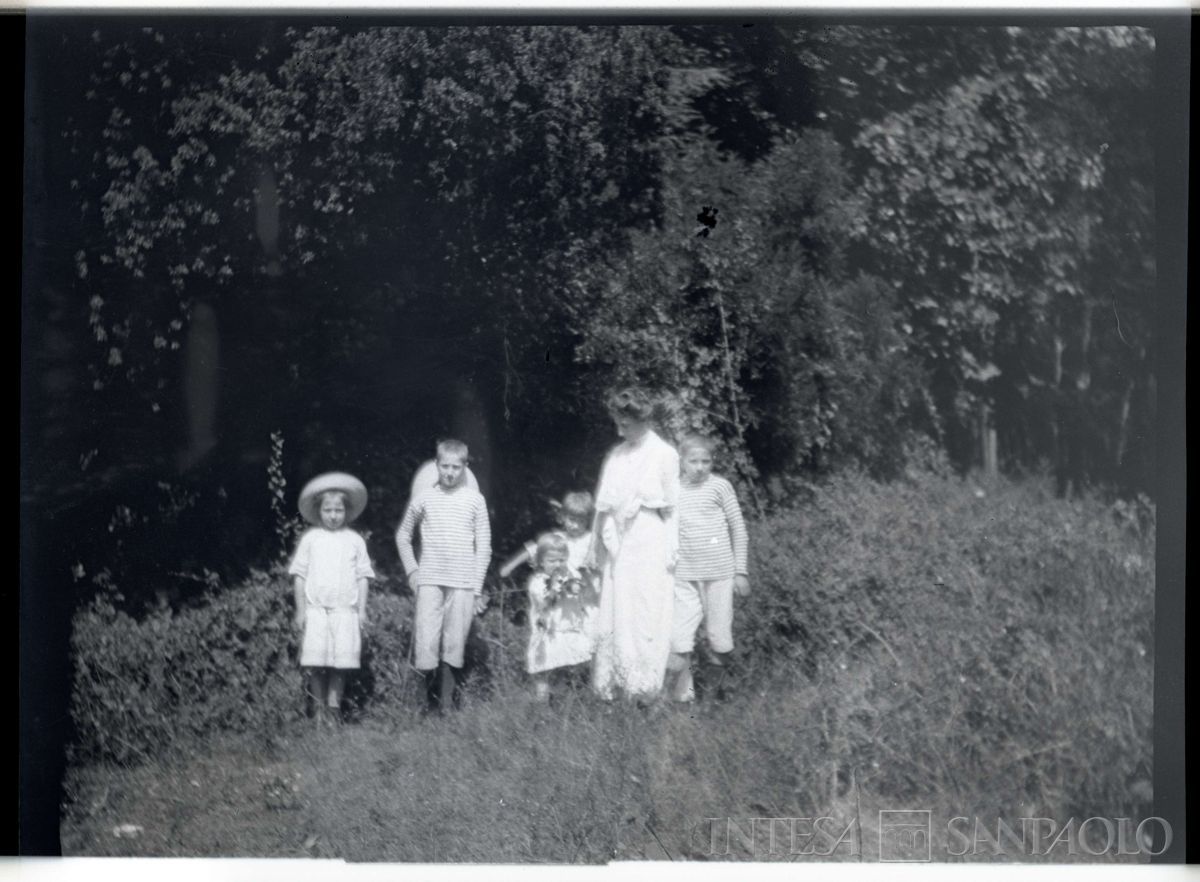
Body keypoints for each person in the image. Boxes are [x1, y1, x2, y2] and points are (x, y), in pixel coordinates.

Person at [590, 387, 680, 701]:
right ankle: (618, 685)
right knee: (619, 610)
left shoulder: (665, 454)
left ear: (643, 419)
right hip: (620, 543)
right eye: (617, 423)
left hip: (650, 539)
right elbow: (602, 506)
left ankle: (647, 687)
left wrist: (672, 547)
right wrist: (594, 546)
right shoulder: (616, 455)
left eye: (624, 424)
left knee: (647, 612)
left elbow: (673, 507)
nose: (619, 430)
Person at [396, 439, 491, 714]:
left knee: (454, 643)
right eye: (445, 466)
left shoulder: (475, 500)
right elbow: (403, 536)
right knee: (427, 640)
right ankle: (429, 707)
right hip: (430, 579)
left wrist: (477, 588)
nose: (450, 472)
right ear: (437, 466)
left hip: (463, 581)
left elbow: (484, 546)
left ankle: (448, 708)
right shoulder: (424, 498)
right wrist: (412, 571)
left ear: (465, 467)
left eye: (456, 467)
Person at [665, 435, 750, 703]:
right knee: (678, 638)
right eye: (693, 461)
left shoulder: (721, 487)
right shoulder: (673, 490)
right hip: (685, 575)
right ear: (682, 462)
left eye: (706, 461)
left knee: (719, 636)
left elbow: (739, 529)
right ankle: (668, 699)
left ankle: (712, 698)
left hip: (720, 574)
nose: (700, 467)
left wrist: (741, 572)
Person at [288, 472, 375, 725]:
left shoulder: (355, 541)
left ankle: (333, 711)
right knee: (316, 663)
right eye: (328, 510)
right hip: (317, 611)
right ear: (319, 511)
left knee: (340, 664)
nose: (333, 515)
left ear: (346, 511)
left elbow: (363, 576)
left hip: (344, 611)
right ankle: (317, 711)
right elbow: (299, 576)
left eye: (338, 510)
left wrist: (362, 610)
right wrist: (301, 611)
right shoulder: (311, 540)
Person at [525, 532, 599, 701]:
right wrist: (554, 591)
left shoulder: (568, 577)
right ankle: (541, 705)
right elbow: (543, 602)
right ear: (540, 561)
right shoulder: (537, 581)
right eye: (552, 561)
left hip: (566, 631)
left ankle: (563, 702)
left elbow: (578, 591)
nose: (558, 564)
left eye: (562, 560)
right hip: (548, 635)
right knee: (544, 672)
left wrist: (575, 588)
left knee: (565, 669)